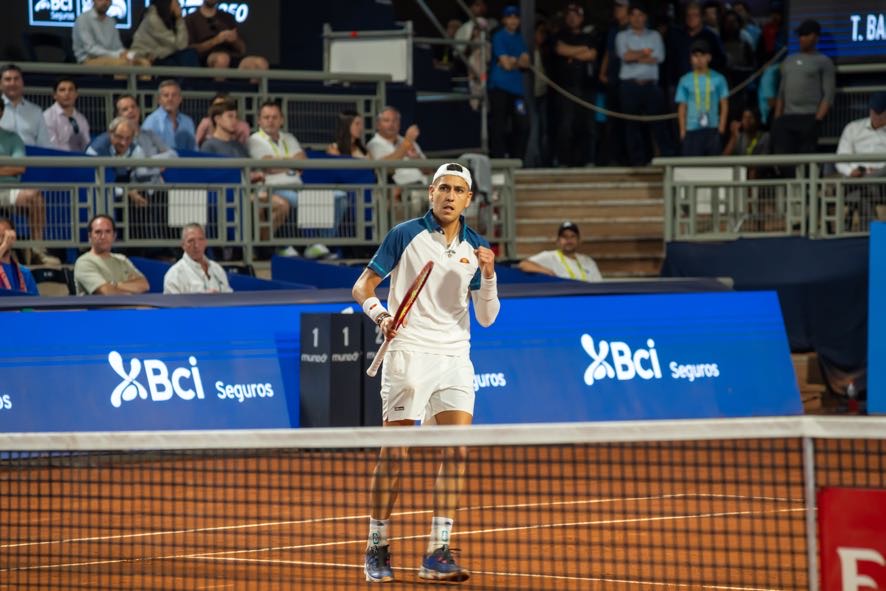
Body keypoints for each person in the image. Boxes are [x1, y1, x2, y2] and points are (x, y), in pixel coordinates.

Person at [352, 162, 499, 584]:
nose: (450, 196)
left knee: (457, 452)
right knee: (395, 455)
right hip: (409, 354)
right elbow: (362, 287)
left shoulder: (478, 248)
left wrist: (489, 275)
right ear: (431, 192)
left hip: (455, 357)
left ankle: (437, 551)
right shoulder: (405, 234)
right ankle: (377, 544)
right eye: (443, 188)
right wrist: (381, 316)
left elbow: (486, 318)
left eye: (458, 190)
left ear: (469, 199)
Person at [616, 2, 674, 166]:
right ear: (629, 17)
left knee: (658, 123)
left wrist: (634, 56)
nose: (637, 18)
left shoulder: (654, 36)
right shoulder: (622, 36)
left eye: (640, 15)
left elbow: (658, 58)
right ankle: (637, 162)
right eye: (633, 15)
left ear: (645, 17)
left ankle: (666, 159)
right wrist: (644, 53)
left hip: (650, 86)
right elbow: (625, 56)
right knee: (631, 125)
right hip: (629, 86)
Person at [0, 100, 57, 266]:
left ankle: (37, 251)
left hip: (8, 189)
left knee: (35, 197)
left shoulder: (12, 138)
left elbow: (19, 167)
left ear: (1, 113)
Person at [771, 19, 835, 155]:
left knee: (806, 157)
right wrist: (777, 119)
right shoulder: (788, 61)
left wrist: (818, 120)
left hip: (809, 116)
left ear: (815, 37)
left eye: (806, 35)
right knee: (783, 157)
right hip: (787, 117)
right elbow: (781, 92)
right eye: (800, 35)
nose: (802, 38)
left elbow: (828, 94)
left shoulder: (824, 61)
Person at [552, 3, 600, 167]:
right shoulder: (560, 35)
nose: (572, 18)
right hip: (566, 88)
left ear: (582, 18)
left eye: (576, 15)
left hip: (587, 88)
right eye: (569, 15)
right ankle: (564, 161)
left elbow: (592, 54)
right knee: (566, 126)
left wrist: (571, 53)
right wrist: (581, 50)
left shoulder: (589, 37)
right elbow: (560, 50)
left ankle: (588, 160)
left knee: (588, 126)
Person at [487, 5, 530, 160]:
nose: (513, 20)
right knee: (499, 124)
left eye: (516, 17)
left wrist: (512, 61)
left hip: (517, 90)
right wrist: (515, 61)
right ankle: (498, 159)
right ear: (504, 20)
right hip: (499, 87)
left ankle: (518, 159)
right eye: (509, 17)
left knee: (523, 124)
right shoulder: (499, 36)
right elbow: (506, 64)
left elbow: (526, 63)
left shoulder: (519, 38)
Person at [74, 214, 149, 296]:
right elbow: (106, 292)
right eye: (98, 232)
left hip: (127, 304)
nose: (103, 236)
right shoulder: (84, 262)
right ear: (90, 236)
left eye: (108, 231)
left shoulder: (122, 259)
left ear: (114, 236)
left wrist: (114, 285)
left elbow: (144, 285)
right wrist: (130, 287)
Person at [676, 39, 728, 156]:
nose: (699, 59)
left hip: (712, 128)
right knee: (692, 164)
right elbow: (682, 107)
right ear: (691, 58)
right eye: (695, 56)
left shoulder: (719, 78)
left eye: (702, 55)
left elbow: (724, 104)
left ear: (709, 57)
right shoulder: (685, 80)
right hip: (692, 129)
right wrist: (682, 130)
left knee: (713, 164)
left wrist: (721, 127)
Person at [185, 0, 269, 71]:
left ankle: (252, 86)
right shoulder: (191, 19)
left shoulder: (227, 17)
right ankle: (219, 86)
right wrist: (215, 41)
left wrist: (234, 40)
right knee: (222, 59)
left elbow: (242, 49)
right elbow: (191, 50)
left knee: (261, 63)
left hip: (232, 56)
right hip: (207, 58)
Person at [88, 94, 176, 159]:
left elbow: (173, 155)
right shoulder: (110, 139)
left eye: (133, 107)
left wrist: (151, 162)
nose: (131, 111)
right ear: (117, 115)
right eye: (125, 109)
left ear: (139, 110)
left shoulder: (150, 134)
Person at [72, 0, 152, 67]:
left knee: (143, 63)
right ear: (93, 1)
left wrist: (127, 54)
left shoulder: (111, 21)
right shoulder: (83, 19)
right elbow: (90, 49)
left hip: (111, 58)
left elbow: (117, 47)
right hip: (88, 60)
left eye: (108, 0)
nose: (105, 2)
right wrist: (117, 55)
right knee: (124, 64)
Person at [518, 221, 603, 281]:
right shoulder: (549, 256)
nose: (569, 240)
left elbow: (598, 285)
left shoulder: (587, 261)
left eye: (572, 236)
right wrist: (547, 271)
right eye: (565, 237)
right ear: (558, 241)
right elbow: (524, 264)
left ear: (578, 240)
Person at [163, 223, 232, 294]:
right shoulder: (174, 275)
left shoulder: (217, 269)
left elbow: (229, 296)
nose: (196, 245)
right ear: (183, 245)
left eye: (200, 239)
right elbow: (172, 301)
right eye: (191, 241)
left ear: (205, 242)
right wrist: (203, 298)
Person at [130, 0, 200, 68]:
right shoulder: (152, 18)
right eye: (176, 1)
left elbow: (182, 46)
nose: (179, 4)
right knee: (183, 58)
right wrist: (179, 19)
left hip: (162, 55)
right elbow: (178, 46)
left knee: (189, 54)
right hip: (144, 56)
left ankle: (194, 76)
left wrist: (178, 19)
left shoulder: (170, 19)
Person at [1, 65, 52, 148]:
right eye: (8, 79)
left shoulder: (36, 111)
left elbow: (45, 145)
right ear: (0, 84)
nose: (12, 83)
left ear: (22, 83)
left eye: (16, 79)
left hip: (31, 156)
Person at [142, 80, 197, 152]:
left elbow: (194, 150)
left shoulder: (188, 122)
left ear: (180, 99)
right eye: (166, 95)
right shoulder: (151, 121)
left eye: (174, 95)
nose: (170, 99)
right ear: (159, 100)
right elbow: (146, 151)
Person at [43, 78, 91, 152]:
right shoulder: (47, 117)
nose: (67, 93)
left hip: (79, 158)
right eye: (62, 90)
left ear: (76, 94)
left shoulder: (81, 119)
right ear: (55, 95)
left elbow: (87, 145)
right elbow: (51, 148)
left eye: (71, 90)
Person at [0, 217, 38, 295]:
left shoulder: (24, 273)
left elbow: (35, 301)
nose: (1, 240)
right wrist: (4, 246)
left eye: (4, 236)